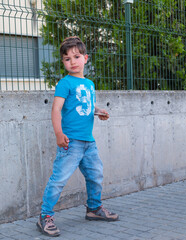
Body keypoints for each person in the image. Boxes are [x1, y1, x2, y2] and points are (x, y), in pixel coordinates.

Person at [37, 36, 119, 237]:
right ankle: (45, 216)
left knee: (96, 175)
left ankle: (94, 209)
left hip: (88, 143)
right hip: (70, 142)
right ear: (63, 62)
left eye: (76, 56)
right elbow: (56, 110)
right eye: (67, 59)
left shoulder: (89, 84)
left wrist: (99, 111)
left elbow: (86, 107)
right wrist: (59, 134)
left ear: (85, 58)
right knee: (59, 180)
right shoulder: (65, 84)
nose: (72, 62)